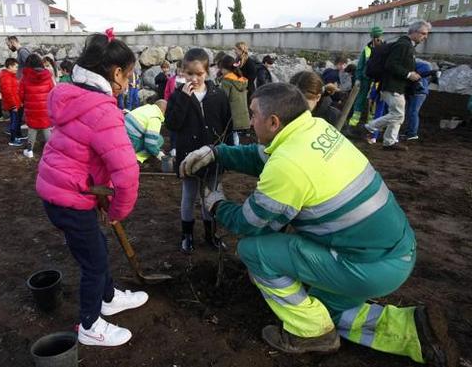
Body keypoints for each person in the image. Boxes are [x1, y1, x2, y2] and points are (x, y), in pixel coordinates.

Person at [179, 82, 459, 366]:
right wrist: (219, 153)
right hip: (393, 253)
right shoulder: (314, 130)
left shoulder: (289, 165)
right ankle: (412, 331)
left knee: (254, 250)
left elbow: (251, 224)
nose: (249, 121)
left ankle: (311, 334)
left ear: (274, 122)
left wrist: (216, 203)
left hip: (366, 266)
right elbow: (262, 157)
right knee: (323, 309)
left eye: (253, 114)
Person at [36, 32, 147, 347]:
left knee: (95, 246)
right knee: (94, 262)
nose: (128, 83)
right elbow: (126, 174)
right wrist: (116, 212)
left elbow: (86, 153)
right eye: (128, 76)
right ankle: (89, 325)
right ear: (115, 74)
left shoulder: (72, 95)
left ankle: (109, 297)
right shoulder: (104, 111)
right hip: (71, 198)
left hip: (60, 189)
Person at [165, 48, 232, 253]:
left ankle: (211, 235)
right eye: (189, 73)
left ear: (207, 72)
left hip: (213, 156)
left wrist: (227, 154)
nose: (194, 78)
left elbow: (227, 124)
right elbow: (172, 125)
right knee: (189, 196)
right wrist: (184, 99)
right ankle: (187, 236)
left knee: (209, 196)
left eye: (199, 74)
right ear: (182, 72)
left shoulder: (218, 95)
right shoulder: (178, 96)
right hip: (189, 156)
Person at [365, 20, 431, 151]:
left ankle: (389, 142)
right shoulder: (404, 45)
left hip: (395, 86)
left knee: (397, 114)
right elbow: (391, 65)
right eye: (423, 33)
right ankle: (371, 127)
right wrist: (409, 75)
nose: (425, 37)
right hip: (393, 86)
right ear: (414, 32)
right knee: (398, 115)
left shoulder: (406, 45)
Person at [19, 54, 55, 158]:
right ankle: (52, 150)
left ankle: (29, 151)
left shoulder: (25, 77)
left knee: (32, 129)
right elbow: (52, 91)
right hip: (45, 108)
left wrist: (24, 101)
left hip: (31, 109)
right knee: (46, 128)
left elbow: (21, 93)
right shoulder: (47, 76)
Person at [349, 27, 384, 128]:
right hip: (365, 78)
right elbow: (360, 65)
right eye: (376, 37)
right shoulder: (367, 49)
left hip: (377, 80)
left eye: (380, 36)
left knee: (373, 101)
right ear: (372, 37)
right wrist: (358, 78)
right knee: (360, 98)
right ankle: (354, 121)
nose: (379, 39)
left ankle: (371, 123)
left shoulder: (384, 48)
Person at [218, 55, 249, 145]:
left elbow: (223, 100)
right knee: (237, 138)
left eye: (221, 69)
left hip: (232, 118)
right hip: (242, 117)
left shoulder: (227, 82)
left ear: (225, 69)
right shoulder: (241, 80)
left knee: (232, 141)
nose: (220, 71)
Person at [402, 59, 434, 141]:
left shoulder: (415, 64)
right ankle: (409, 132)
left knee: (412, 112)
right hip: (417, 92)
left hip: (418, 92)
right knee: (411, 112)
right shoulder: (421, 65)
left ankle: (412, 133)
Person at [0, 58, 23, 147]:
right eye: (15, 67)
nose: (17, 69)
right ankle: (12, 139)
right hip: (12, 104)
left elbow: (14, 91)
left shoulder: (10, 76)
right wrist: (13, 105)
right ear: (10, 66)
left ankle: (15, 137)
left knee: (15, 120)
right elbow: (8, 93)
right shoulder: (6, 77)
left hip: (15, 102)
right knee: (14, 121)